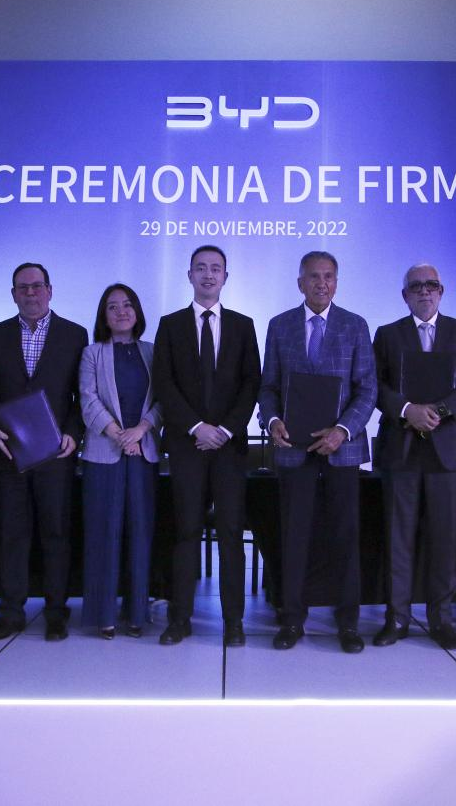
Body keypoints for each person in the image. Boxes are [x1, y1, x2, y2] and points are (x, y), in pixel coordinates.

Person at [258, 251, 376, 654]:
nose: (321, 283)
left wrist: (343, 430)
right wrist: (272, 421)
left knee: (345, 536)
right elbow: (268, 387)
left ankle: (348, 623)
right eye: (313, 277)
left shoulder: (355, 325)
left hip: (342, 449)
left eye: (328, 277)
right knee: (294, 536)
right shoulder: (280, 326)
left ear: (336, 283)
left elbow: (368, 389)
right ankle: (292, 619)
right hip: (294, 448)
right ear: (300, 283)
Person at [373, 263, 456, 651]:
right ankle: (397, 618)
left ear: (442, 291)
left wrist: (439, 410)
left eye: (431, 285)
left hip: (448, 451)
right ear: (404, 295)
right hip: (401, 449)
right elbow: (374, 385)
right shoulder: (387, 334)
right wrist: (408, 410)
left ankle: (442, 619)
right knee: (398, 539)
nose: (424, 291)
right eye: (416, 286)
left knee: (445, 538)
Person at [152, 244, 261, 647]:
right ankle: (180, 619)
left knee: (231, 533)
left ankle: (234, 622)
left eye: (216, 268)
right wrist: (197, 427)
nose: (209, 274)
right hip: (187, 446)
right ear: (190, 275)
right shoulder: (170, 325)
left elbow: (252, 382)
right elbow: (164, 383)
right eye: (201, 268)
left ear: (226, 277)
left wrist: (225, 430)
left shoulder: (244, 325)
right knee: (186, 531)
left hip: (229, 449)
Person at [0, 263, 88, 643]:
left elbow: (81, 395)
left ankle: (56, 613)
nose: (30, 293)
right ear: (13, 294)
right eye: (23, 288)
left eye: (37, 286)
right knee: (12, 534)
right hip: (9, 454)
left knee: (56, 534)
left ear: (50, 290)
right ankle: (11, 613)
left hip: (55, 454)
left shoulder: (74, 334)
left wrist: (74, 432)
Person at [78, 284, 162, 639]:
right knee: (104, 533)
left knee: (140, 533)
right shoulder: (92, 353)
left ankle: (138, 613)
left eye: (128, 305)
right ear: (104, 316)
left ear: (137, 311)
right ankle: (104, 615)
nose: (121, 311)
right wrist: (119, 435)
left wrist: (140, 431)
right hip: (104, 454)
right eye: (112, 307)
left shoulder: (153, 351)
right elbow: (87, 400)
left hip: (143, 452)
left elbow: (164, 400)